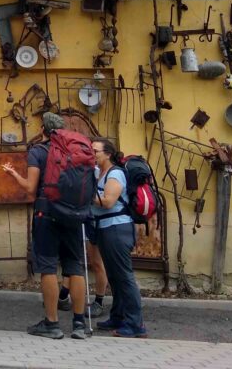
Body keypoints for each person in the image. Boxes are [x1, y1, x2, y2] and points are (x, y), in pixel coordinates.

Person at [1, 112, 88, 340]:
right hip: (73, 213)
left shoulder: (38, 151)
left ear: (43, 130)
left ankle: (52, 324)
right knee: (74, 267)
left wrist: (14, 176)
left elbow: (30, 188)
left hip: (47, 212)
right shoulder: (74, 151)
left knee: (48, 268)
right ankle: (79, 325)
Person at [90, 138, 146, 338]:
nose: (92, 153)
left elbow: (107, 201)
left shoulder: (115, 174)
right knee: (114, 276)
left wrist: (85, 194)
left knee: (124, 276)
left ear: (107, 153)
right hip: (105, 228)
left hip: (117, 228)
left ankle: (135, 324)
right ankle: (118, 316)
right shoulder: (99, 173)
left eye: (95, 150)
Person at [58, 242, 109, 316]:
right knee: (72, 260)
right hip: (75, 232)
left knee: (96, 263)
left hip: (91, 232)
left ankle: (99, 302)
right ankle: (63, 297)